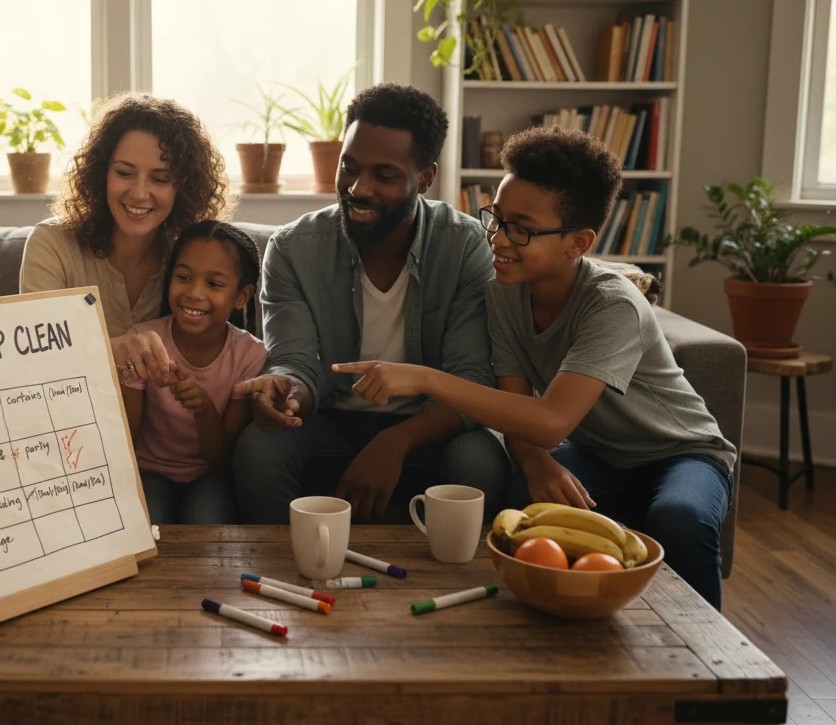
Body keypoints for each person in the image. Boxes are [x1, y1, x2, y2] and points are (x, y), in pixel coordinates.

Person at [332, 126, 736, 609]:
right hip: (599, 453)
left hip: (682, 453)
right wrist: (533, 458)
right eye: (496, 218)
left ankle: (712, 663)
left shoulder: (613, 306)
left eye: (520, 228)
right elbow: (515, 406)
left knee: (679, 519)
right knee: (525, 494)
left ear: (578, 242)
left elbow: (551, 421)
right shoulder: (505, 291)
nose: (497, 238)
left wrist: (423, 377)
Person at [232, 83, 510, 525]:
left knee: (478, 460)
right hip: (331, 421)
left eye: (384, 175)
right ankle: (284, 580)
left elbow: (470, 379)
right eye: (350, 167)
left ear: (424, 177)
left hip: (427, 426)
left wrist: (394, 442)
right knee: (259, 449)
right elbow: (294, 361)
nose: (358, 188)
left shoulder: (464, 247)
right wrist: (286, 394)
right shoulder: (293, 249)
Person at [20, 93, 230, 388]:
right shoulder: (51, 245)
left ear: (183, 188)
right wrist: (113, 350)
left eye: (160, 179)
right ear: (100, 174)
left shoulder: (190, 259)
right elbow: (36, 360)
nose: (139, 194)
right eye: (124, 173)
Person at [121, 221, 267, 524]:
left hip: (208, 476)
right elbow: (127, 439)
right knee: (151, 520)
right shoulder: (144, 341)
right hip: (149, 471)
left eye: (214, 284)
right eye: (184, 277)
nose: (194, 293)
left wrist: (204, 409)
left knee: (208, 521)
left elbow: (223, 462)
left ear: (241, 296)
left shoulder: (249, 356)